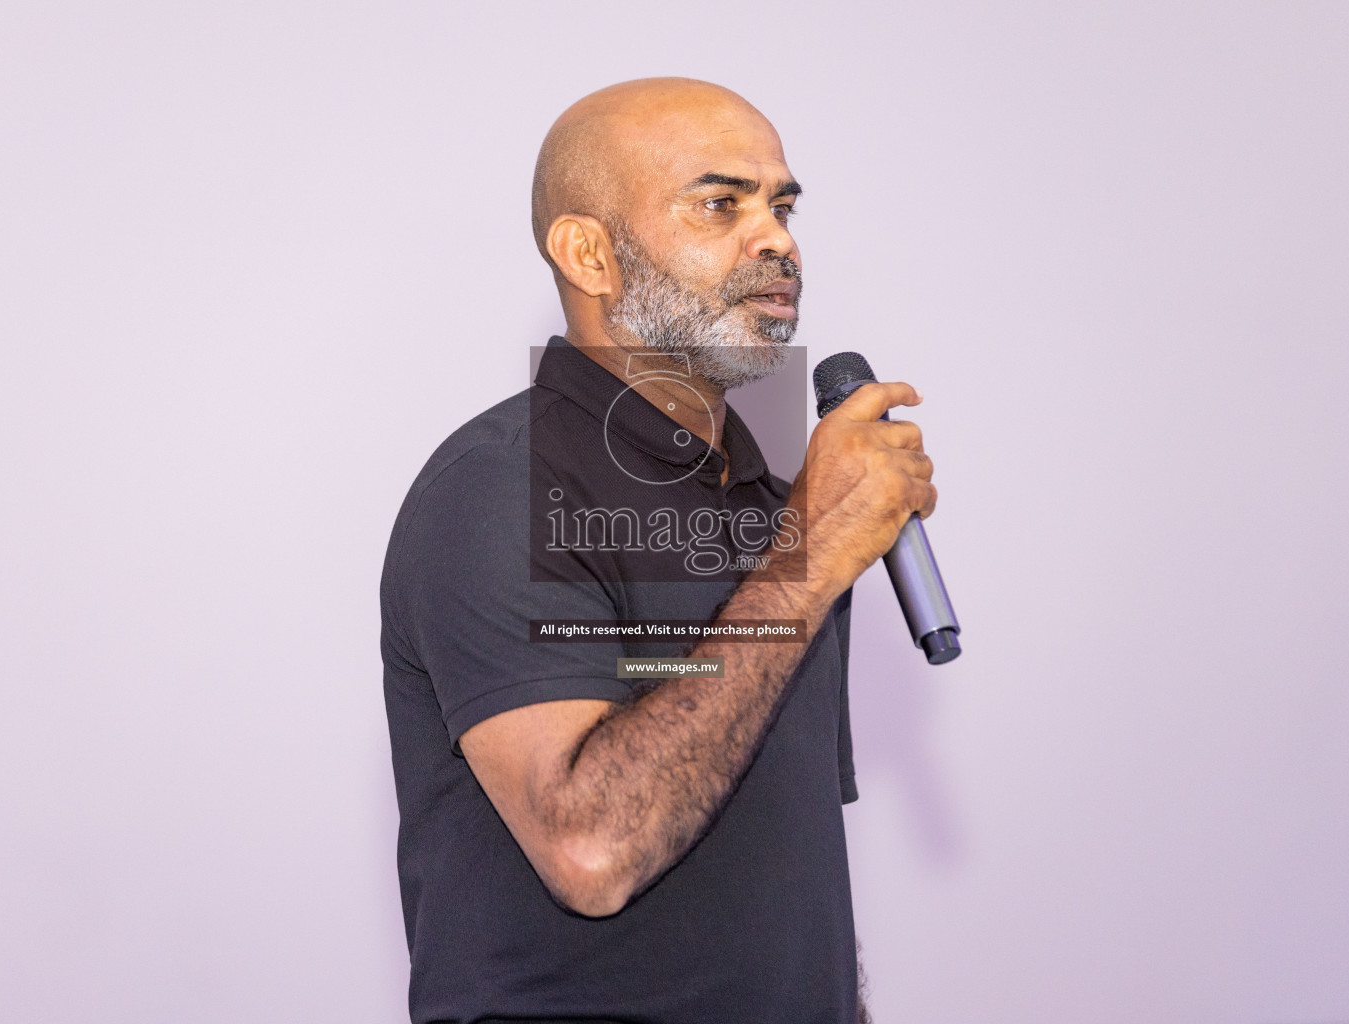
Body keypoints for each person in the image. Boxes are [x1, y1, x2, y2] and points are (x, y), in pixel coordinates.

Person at [380, 77, 936, 1024]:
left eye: (783, 206)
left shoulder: (776, 512)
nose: (778, 240)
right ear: (589, 253)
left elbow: (775, 881)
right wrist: (812, 551)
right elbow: (590, 851)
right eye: (722, 204)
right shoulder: (499, 491)